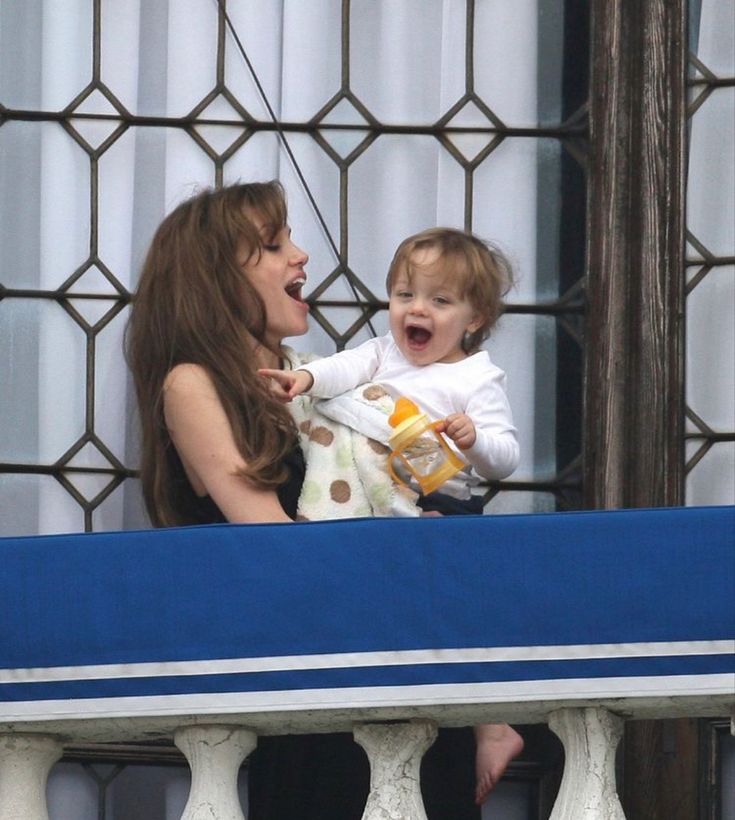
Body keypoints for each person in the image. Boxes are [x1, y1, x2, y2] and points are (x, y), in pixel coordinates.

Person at [126, 184, 521, 816]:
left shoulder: (321, 375)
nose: (301, 256)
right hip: (318, 681)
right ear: (218, 277)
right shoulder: (194, 383)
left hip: (398, 665)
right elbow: (273, 539)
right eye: (276, 245)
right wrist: (401, 543)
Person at [260, 226, 524, 804]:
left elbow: (505, 459)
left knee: (455, 623)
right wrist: (302, 378)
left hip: (446, 505)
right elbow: (341, 371)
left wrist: (474, 437)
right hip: (389, 502)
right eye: (405, 295)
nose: (416, 310)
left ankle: (495, 725)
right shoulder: (382, 352)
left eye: (439, 300)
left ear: (473, 318)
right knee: (410, 621)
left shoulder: (476, 378)